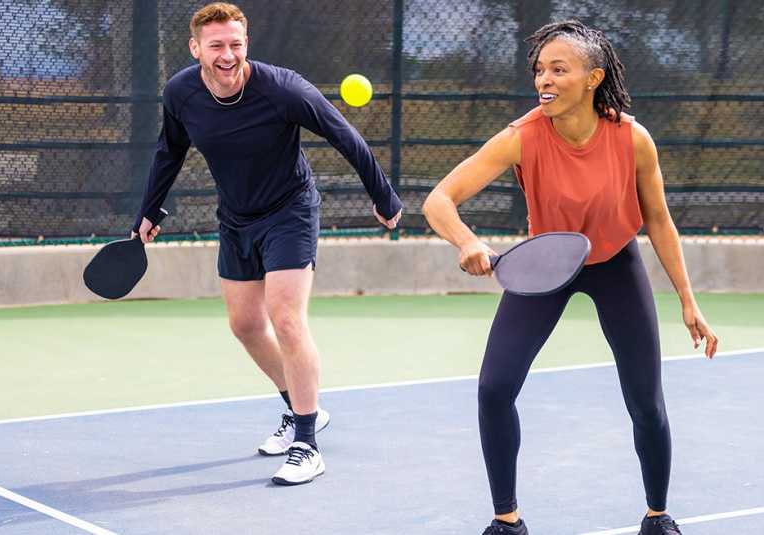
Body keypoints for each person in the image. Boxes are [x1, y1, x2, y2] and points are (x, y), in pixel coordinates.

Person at [422, 20, 717, 535]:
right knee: (494, 389)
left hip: (615, 265)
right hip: (546, 266)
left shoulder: (632, 139)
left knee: (646, 402)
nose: (545, 80)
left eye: (559, 69)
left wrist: (688, 301)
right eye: (539, 70)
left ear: (593, 78)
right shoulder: (521, 136)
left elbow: (659, 221)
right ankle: (506, 520)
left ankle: (657, 515)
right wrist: (466, 241)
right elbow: (438, 200)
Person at [132, 2, 402, 486]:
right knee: (245, 324)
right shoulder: (182, 93)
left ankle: (307, 444)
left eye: (236, 44)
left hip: (290, 211)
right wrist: (149, 209)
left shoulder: (283, 89)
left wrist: (383, 197)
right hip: (236, 217)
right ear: (196, 49)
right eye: (217, 45)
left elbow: (345, 136)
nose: (228, 55)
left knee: (285, 317)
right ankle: (303, 410)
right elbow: (169, 148)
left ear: (246, 45)